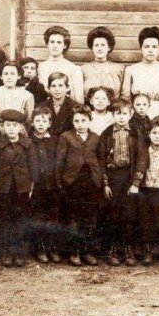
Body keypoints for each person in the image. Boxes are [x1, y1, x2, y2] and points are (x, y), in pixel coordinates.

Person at [0, 109, 39, 267]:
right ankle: (5, 252)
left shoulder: (27, 144)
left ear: (20, 127)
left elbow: (33, 168)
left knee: (19, 220)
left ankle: (18, 252)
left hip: (21, 189)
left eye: (14, 125)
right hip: (3, 188)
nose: (11, 128)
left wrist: (30, 188)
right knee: (4, 220)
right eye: (8, 125)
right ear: (3, 126)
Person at [55, 105, 103, 266]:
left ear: (90, 121)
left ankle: (87, 251)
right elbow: (60, 161)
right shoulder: (66, 137)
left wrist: (101, 180)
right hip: (73, 182)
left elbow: (100, 160)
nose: (80, 124)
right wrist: (60, 183)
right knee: (73, 218)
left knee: (90, 218)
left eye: (83, 120)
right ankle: (74, 252)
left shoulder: (96, 138)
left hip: (91, 182)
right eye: (76, 121)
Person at [96, 99, 140, 266]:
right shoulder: (106, 133)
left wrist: (136, 182)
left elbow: (142, 157)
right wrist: (106, 182)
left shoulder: (136, 133)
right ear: (112, 115)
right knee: (113, 213)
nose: (121, 117)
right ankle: (112, 249)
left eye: (125, 114)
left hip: (129, 177)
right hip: (113, 177)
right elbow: (100, 158)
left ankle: (128, 248)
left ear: (130, 115)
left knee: (129, 214)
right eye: (118, 114)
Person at [130, 118, 159, 269]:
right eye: (154, 133)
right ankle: (148, 252)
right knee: (146, 221)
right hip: (146, 189)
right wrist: (136, 184)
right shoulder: (144, 151)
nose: (157, 136)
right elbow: (138, 168)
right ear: (149, 134)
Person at [27, 106, 61, 264]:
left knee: (53, 216)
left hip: (52, 185)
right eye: (37, 121)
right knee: (38, 216)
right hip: (37, 185)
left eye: (44, 121)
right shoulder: (28, 140)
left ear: (50, 123)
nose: (41, 124)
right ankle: (40, 248)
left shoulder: (55, 140)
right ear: (32, 122)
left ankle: (52, 247)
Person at [122, 26, 159, 118]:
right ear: (141, 48)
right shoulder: (131, 69)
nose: (150, 50)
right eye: (146, 46)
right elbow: (126, 98)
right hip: (138, 113)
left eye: (154, 47)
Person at [37, 26, 84, 104]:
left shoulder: (73, 68)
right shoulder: (40, 67)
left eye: (59, 42)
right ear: (47, 44)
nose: (55, 46)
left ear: (64, 45)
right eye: (52, 42)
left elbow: (79, 99)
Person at [0, 62, 35, 129]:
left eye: (12, 74)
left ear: (19, 76)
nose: (9, 77)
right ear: (1, 76)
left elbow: (29, 120)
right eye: (6, 74)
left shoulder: (27, 95)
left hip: (18, 130)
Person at [81, 26, 124, 99]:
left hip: (114, 108)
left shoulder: (119, 68)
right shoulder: (84, 69)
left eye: (103, 45)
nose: (99, 48)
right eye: (96, 45)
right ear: (92, 48)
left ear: (109, 47)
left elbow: (124, 95)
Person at [36, 72, 79, 137]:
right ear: (48, 88)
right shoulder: (41, 106)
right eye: (53, 86)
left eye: (60, 86)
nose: (57, 89)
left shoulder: (75, 106)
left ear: (67, 87)